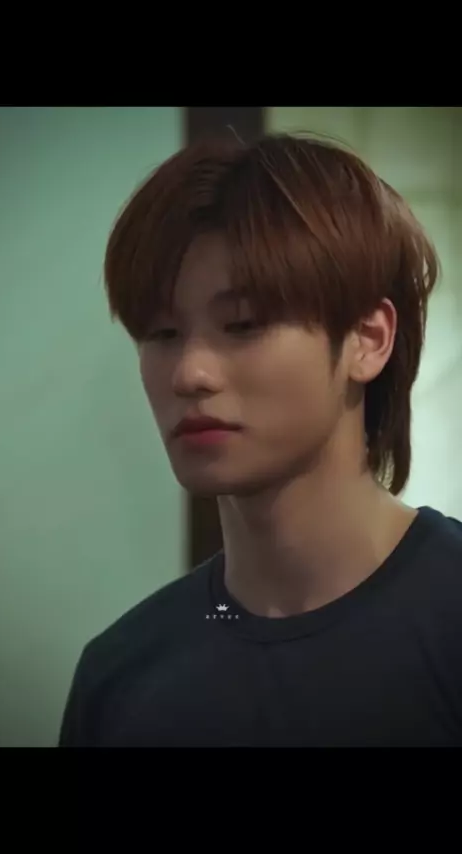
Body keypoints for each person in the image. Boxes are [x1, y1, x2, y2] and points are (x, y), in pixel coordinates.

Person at [59, 132, 462, 747]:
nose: (189, 373)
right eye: (162, 333)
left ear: (368, 338)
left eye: (242, 324)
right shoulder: (119, 675)